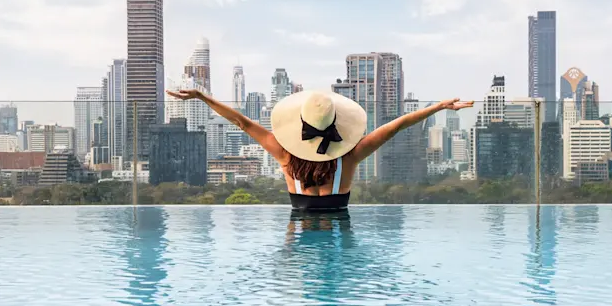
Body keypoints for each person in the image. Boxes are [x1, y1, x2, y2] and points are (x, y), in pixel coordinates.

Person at [166, 88, 473, 212]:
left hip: (298, 238)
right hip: (341, 237)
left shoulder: (285, 157)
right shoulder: (350, 157)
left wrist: (201, 97)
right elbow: (396, 126)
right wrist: (440, 107)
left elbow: (244, 124)